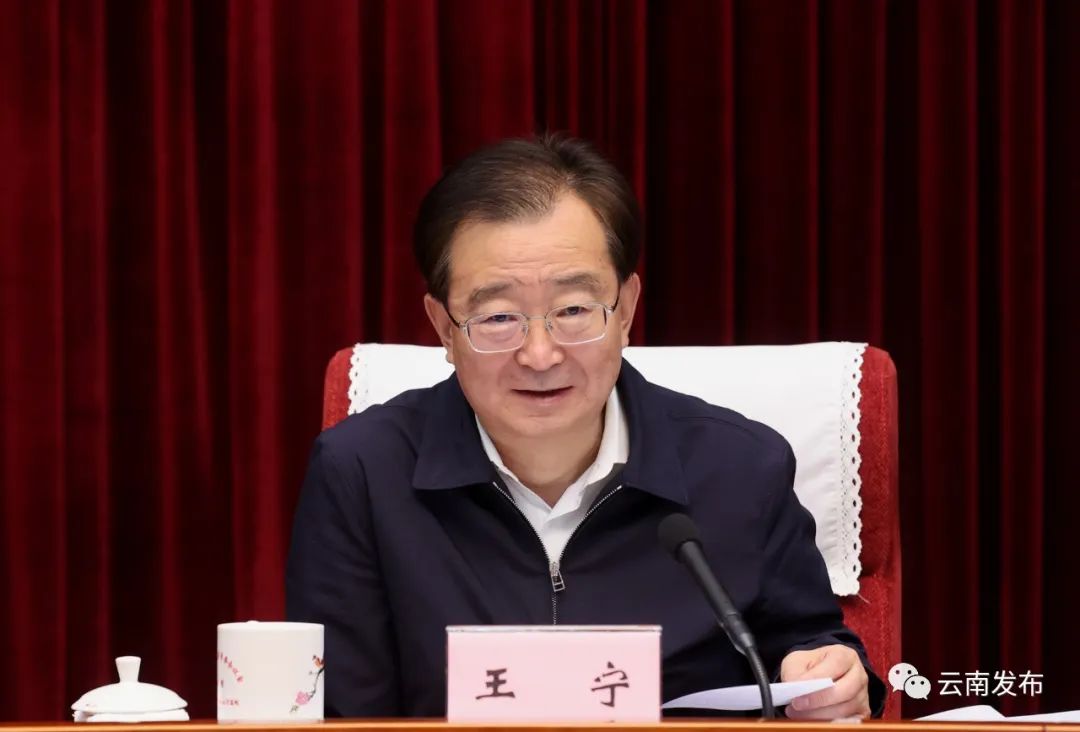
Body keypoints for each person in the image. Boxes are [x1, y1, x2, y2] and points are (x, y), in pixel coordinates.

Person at [286, 134, 885, 719]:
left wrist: (832, 680)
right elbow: (340, 715)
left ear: (626, 309)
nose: (539, 354)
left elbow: (811, 647)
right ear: (444, 327)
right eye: (498, 317)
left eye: (574, 309)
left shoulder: (741, 468)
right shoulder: (362, 474)